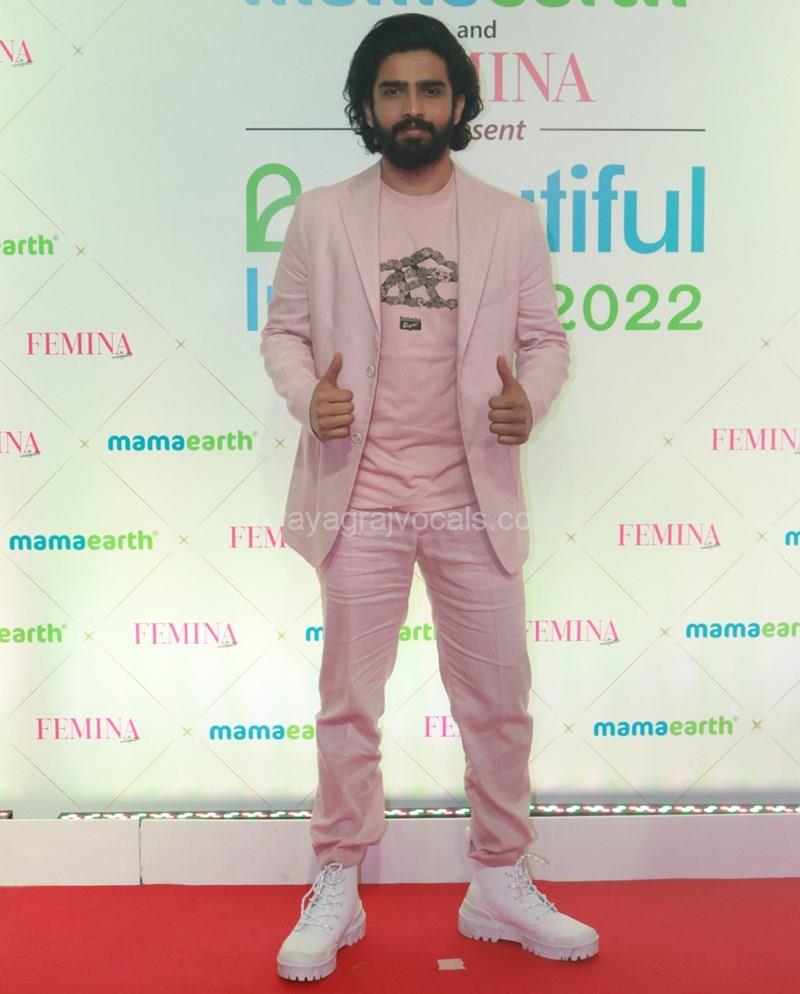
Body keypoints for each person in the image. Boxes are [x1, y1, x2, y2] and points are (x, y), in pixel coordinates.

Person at [261, 12, 599, 983]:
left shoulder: (509, 220)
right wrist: (308, 397)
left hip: (471, 498)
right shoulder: (322, 214)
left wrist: (528, 401)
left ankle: (498, 879)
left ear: (457, 103)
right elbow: (284, 334)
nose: (412, 106)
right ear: (367, 106)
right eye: (393, 90)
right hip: (359, 494)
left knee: (497, 704)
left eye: (429, 89)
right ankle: (337, 879)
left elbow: (546, 341)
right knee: (348, 707)